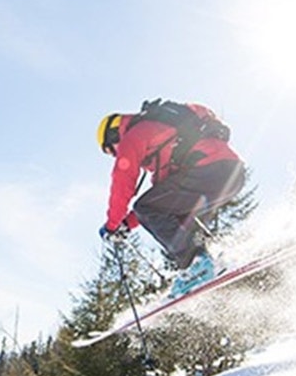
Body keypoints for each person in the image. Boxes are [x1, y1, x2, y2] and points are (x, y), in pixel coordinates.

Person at [97, 100, 247, 296]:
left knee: (145, 207)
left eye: (110, 150)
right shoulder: (163, 140)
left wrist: (113, 224)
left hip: (208, 170)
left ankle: (196, 263)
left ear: (113, 133)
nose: (113, 155)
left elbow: (122, 179)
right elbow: (160, 203)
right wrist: (126, 224)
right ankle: (211, 260)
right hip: (231, 174)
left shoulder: (135, 134)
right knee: (168, 209)